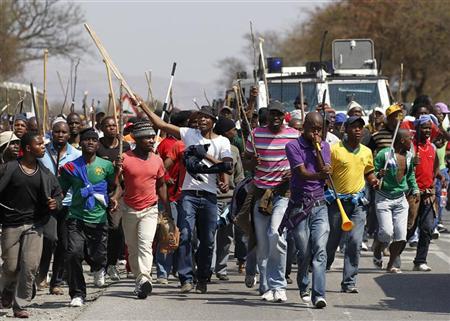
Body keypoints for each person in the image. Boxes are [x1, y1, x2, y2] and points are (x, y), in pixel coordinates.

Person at [137, 98, 232, 294]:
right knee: (185, 236)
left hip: (209, 197)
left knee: (207, 240)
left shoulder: (223, 141)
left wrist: (215, 169)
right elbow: (160, 124)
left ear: (213, 121)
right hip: (188, 195)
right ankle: (186, 278)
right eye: (200, 117)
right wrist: (142, 105)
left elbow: (227, 165)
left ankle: (203, 277)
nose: (202, 120)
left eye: (206, 117)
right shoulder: (189, 134)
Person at [0, 132, 62, 318]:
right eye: (39, 144)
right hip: (11, 224)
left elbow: (58, 193)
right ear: (28, 148)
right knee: (11, 267)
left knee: (30, 266)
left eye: (43, 144)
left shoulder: (45, 172)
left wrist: (55, 203)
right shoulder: (9, 168)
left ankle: (20, 304)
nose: (43, 146)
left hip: (36, 225)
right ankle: (8, 289)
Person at [243, 100, 299, 302]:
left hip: (283, 194)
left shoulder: (294, 135)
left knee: (276, 234)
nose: (276, 118)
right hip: (260, 194)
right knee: (263, 244)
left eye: (279, 114)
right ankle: (266, 286)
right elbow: (245, 160)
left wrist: (293, 173)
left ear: (284, 116)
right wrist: (252, 162)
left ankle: (279, 285)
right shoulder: (256, 134)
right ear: (267, 116)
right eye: (272, 114)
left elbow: (302, 161)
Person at [59, 128, 117, 307]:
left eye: (94, 140)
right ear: (80, 143)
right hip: (76, 217)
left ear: (98, 144)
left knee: (98, 256)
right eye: (87, 140)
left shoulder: (106, 166)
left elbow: (115, 186)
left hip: (98, 218)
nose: (90, 142)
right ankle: (77, 293)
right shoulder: (70, 167)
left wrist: (114, 197)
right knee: (74, 254)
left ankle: (99, 267)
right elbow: (61, 189)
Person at [116, 121, 171, 298]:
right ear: (136, 139)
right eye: (147, 137)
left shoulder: (157, 160)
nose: (151, 140)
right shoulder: (124, 158)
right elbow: (116, 184)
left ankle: (145, 279)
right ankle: (139, 279)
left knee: (145, 244)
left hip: (150, 208)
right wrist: (115, 170)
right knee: (132, 248)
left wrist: (167, 207)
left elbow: (161, 185)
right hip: (129, 209)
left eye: (152, 137)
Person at [326, 116, 379, 293]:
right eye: (354, 127)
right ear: (345, 129)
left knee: (355, 242)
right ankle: (323, 265)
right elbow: (326, 174)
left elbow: (369, 173)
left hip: (358, 203)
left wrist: (374, 181)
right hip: (336, 203)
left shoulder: (366, 152)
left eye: (360, 127)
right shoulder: (334, 150)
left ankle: (349, 282)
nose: (358, 130)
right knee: (331, 241)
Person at [284, 111, 330, 308]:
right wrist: (321, 174)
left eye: (320, 129)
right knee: (303, 251)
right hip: (299, 205)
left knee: (320, 250)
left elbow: (325, 170)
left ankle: (318, 294)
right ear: (304, 127)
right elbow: (302, 173)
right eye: (313, 129)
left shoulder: (325, 146)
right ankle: (303, 283)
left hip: (320, 205)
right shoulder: (292, 146)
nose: (316, 133)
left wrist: (318, 149)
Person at [38, 119, 81, 295]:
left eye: (64, 132)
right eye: (57, 132)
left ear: (69, 135)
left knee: (64, 244)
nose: (60, 135)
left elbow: (79, 178)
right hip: (46, 204)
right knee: (49, 239)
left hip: (68, 204)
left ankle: (56, 281)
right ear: (51, 132)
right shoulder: (42, 151)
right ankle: (42, 273)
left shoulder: (76, 154)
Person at [373, 129, 419, 273]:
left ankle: (390, 265)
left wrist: (415, 189)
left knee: (400, 236)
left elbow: (410, 175)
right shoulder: (384, 155)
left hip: (400, 199)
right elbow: (371, 173)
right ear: (402, 140)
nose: (411, 142)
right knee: (387, 232)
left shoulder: (410, 156)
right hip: (383, 198)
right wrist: (378, 174)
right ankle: (378, 248)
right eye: (409, 139)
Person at [96, 116, 130, 281]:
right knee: (99, 230)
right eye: (107, 126)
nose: (111, 128)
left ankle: (111, 264)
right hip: (98, 192)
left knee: (115, 228)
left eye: (114, 125)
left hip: (118, 191)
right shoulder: (97, 146)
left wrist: (122, 166)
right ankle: (99, 266)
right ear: (102, 128)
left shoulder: (125, 146)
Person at [211, 117, 245, 280]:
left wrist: (241, 196)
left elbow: (239, 176)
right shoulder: (210, 147)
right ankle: (208, 268)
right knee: (210, 234)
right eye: (233, 129)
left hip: (230, 200)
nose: (236, 132)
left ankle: (221, 268)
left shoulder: (235, 150)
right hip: (212, 197)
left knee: (226, 236)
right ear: (225, 132)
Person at [407, 115, 439, 271]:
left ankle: (420, 261)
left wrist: (434, 181)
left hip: (428, 195)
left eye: (429, 127)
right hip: (413, 194)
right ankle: (395, 257)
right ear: (417, 128)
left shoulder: (432, 147)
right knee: (409, 228)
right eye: (424, 127)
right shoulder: (411, 147)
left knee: (427, 228)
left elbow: (435, 167)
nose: (427, 130)